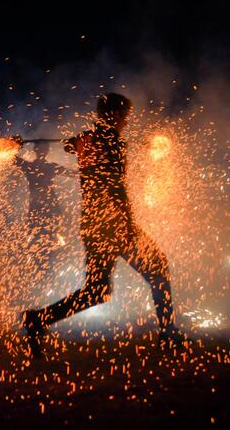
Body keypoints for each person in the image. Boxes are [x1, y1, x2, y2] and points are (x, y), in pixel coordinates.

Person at [21, 93, 186, 359]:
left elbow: (76, 150)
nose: (126, 123)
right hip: (114, 224)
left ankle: (38, 319)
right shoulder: (107, 143)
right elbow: (113, 185)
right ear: (115, 115)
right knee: (158, 270)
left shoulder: (89, 140)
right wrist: (127, 225)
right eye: (125, 117)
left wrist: (78, 143)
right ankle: (169, 334)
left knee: (97, 292)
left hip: (94, 224)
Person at [14, 141, 74, 277]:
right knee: (44, 238)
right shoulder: (47, 167)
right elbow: (72, 173)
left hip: (43, 209)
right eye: (42, 149)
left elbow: (13, 157)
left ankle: (44, 269)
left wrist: (15, 145)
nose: (43, 152)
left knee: (43, 238)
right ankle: (42, 270)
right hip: (46, 209)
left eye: (43, 149)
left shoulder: (32, 166)